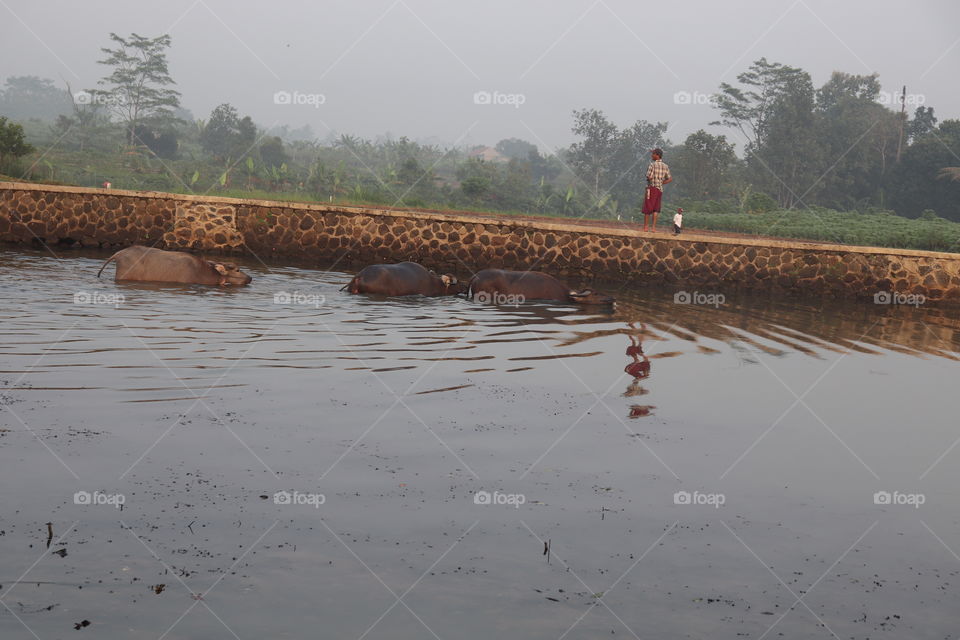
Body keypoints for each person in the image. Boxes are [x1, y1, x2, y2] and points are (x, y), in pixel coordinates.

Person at [641, 148, 672, 232]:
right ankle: (653, 228)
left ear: (657, 155)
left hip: (652, 188)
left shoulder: (652, 165)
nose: (652, 155)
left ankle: (646, 227)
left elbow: (649, 176)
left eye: (653, 154)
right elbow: (669, 179)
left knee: (648, 208)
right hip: (659, 190)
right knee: (656, 209)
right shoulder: (665, 166)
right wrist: (661, 183)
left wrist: (650, 178)